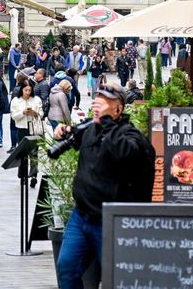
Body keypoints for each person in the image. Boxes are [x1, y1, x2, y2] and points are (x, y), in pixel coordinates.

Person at [51, 83, 155, 289]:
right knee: (66, 268)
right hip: (81, 216)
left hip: (111, 222)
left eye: (105, 102)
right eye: (97, 100)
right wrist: (64, 130)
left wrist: (106, 122)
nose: (98, 105)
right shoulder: (92, 129)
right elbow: (75, 135)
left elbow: (125, 152)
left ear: (118, 109)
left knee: (117, 277)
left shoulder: (130, 136)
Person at [10, 81, 43, 145]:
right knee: (22, 150)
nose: (27, 92)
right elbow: (13, 116)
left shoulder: (36, 99)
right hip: (21, 128)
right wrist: (23, 113)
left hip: (34, 127)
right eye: (26, 90)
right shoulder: (16, 100)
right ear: (22, 90)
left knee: (33, 150)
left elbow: (41, 113)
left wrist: (35, 113)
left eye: (29, 90)